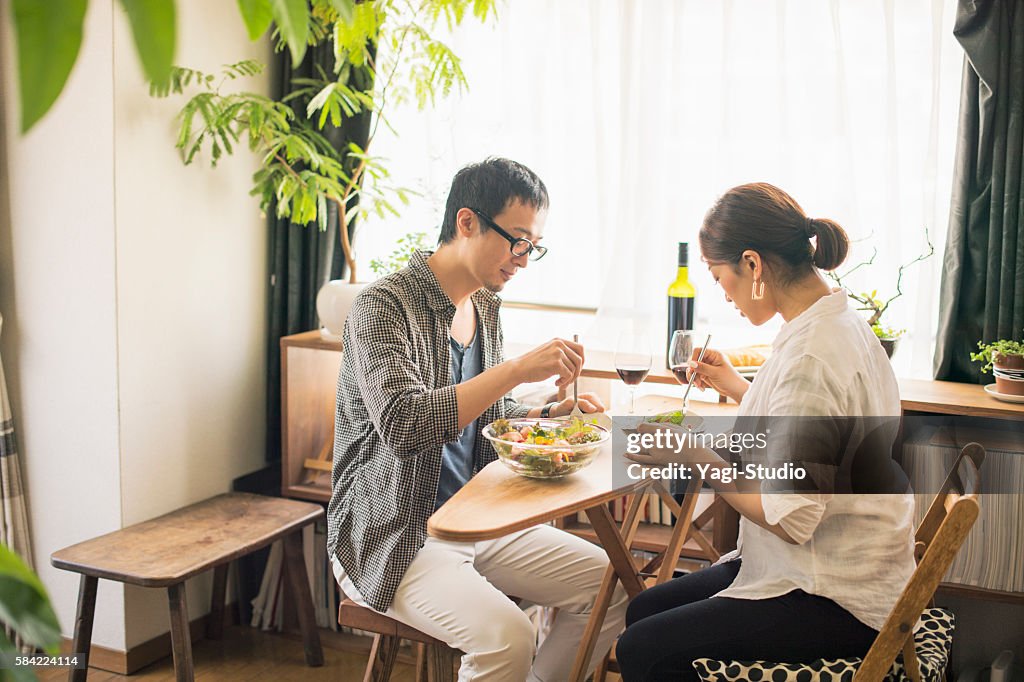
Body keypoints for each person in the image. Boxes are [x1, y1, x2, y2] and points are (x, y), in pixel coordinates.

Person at [327, 157, 628, 681]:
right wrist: (515, 371)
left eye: (532, 246)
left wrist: (552, 414)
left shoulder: (484, 307)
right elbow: (404, 426)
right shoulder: (383, 306)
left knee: (611, 584)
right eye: (517, 241)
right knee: (508, 637)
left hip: (475, 518)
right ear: (467, 222)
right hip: (393, 531)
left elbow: (486, 419)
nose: (524, 259)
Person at [615, 183, 916, 681]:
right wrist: (736, 385)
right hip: (854, 566)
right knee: (643, 612)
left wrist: (692, 453)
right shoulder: (833, 320)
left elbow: (790, 518)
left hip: (833, 592)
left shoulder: (811, 355)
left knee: (642, 649)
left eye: (720, 278)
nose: (725, 296)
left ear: (752, 265)